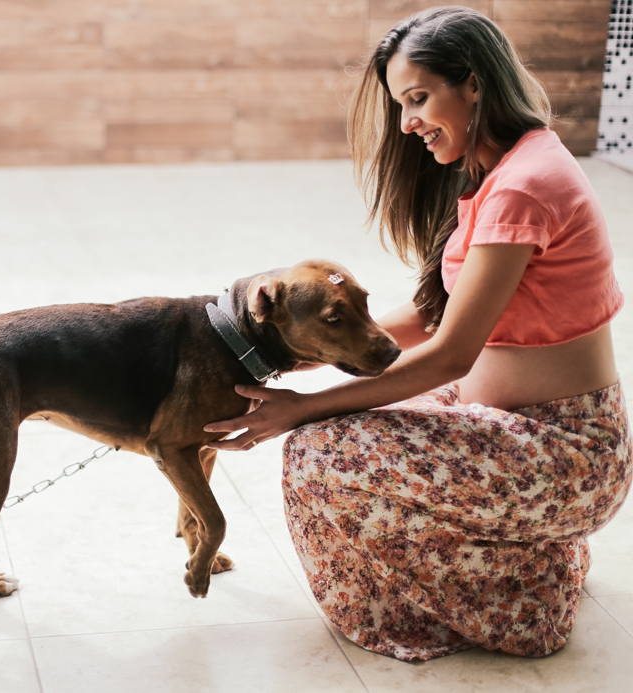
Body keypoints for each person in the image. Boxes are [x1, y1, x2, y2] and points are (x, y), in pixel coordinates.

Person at [204, 6, 630, 661]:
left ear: (475, 84)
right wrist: (293, 359)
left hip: (560, 450)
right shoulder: (511, 165)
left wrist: (301, 411)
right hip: (521, 428)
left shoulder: (521, 187)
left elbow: (450, 353)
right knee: (362, 428)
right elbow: (435, 315)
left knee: (319, 455)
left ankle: (514, 607)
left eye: (419, 99)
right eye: (401, 105)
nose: (407, 124)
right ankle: (530, 568)